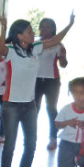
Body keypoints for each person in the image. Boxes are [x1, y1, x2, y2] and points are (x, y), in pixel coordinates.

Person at [0, 12, 75, 167]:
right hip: (11, 105)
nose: (33, 34)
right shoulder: (10, 50)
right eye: (29, 31)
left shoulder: (35, 48)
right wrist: (4, 27)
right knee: (10, 146)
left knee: (31, 144)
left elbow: (55, 40)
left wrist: (70, 24)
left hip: (29, 105)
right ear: (19, 36)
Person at [35, 18, 68, 151]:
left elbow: (64, 65)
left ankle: (53, 138)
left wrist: (64, 56)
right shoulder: (35, 43)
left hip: (51, 80)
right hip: (35, 80)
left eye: (48, 27)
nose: (44, 29)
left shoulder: (58, 45)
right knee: (34, 109)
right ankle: (31, 137)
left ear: (53, 29)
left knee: (51, 109)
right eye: (42, 26)